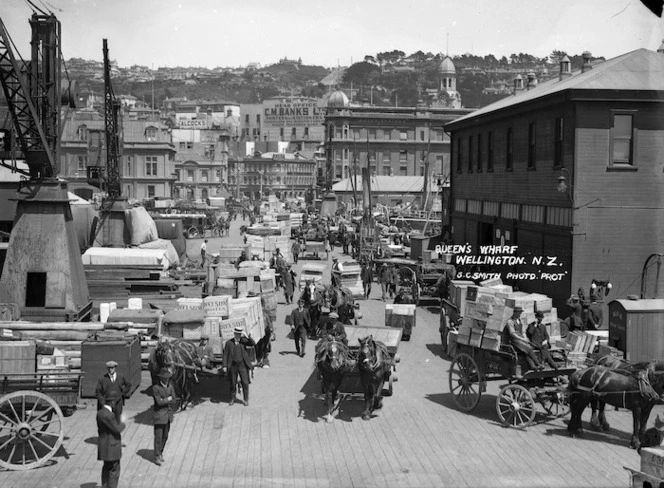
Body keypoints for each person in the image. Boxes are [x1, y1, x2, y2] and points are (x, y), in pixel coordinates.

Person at [96, 390, 126, 487]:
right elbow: (117, 429)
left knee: (106, 469)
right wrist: (123, 423)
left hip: (104, 446)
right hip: (112, 447)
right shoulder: (108, 415)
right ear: (112, 402)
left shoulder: (100, 413)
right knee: (114, 471)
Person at [222, 326, 255, 406]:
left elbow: (253, 343)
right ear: (234, 334)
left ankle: (246, 399)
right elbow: (225, 355)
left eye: (240, 334)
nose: (238, 336)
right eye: (237, 334)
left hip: (242, 365)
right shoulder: (229, 343)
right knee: (233, 383)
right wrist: (225, 366)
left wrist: (246, 336)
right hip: (233, 366)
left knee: (245, 382)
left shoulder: (244, 341)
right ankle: (233, 398)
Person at [503, 306, 543, 371]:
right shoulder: (510, 321)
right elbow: (512, 334)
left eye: (520, 313)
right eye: (518, 313)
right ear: (514, 313)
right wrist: (522, 339)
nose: (520, 314)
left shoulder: (520, 320)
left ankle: (532, 366)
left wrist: (526, 338)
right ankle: (538, 364)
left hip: (521, 339)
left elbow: (523, 331)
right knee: (528, 348)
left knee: (529, 348)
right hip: (514, 341)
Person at [152, 368, 175, 466]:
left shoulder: (171, 387)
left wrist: (166, 399)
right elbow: (159, 402)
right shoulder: (156, 388)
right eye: (165, 378)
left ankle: (160, 452)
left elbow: (174, 400)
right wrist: (168, 399)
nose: (166, 380)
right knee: (158, 437)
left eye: (168, 378)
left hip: (168, 416)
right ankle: (157, 456)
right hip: (159, 416)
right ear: (161, 378)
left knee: (165, 436)